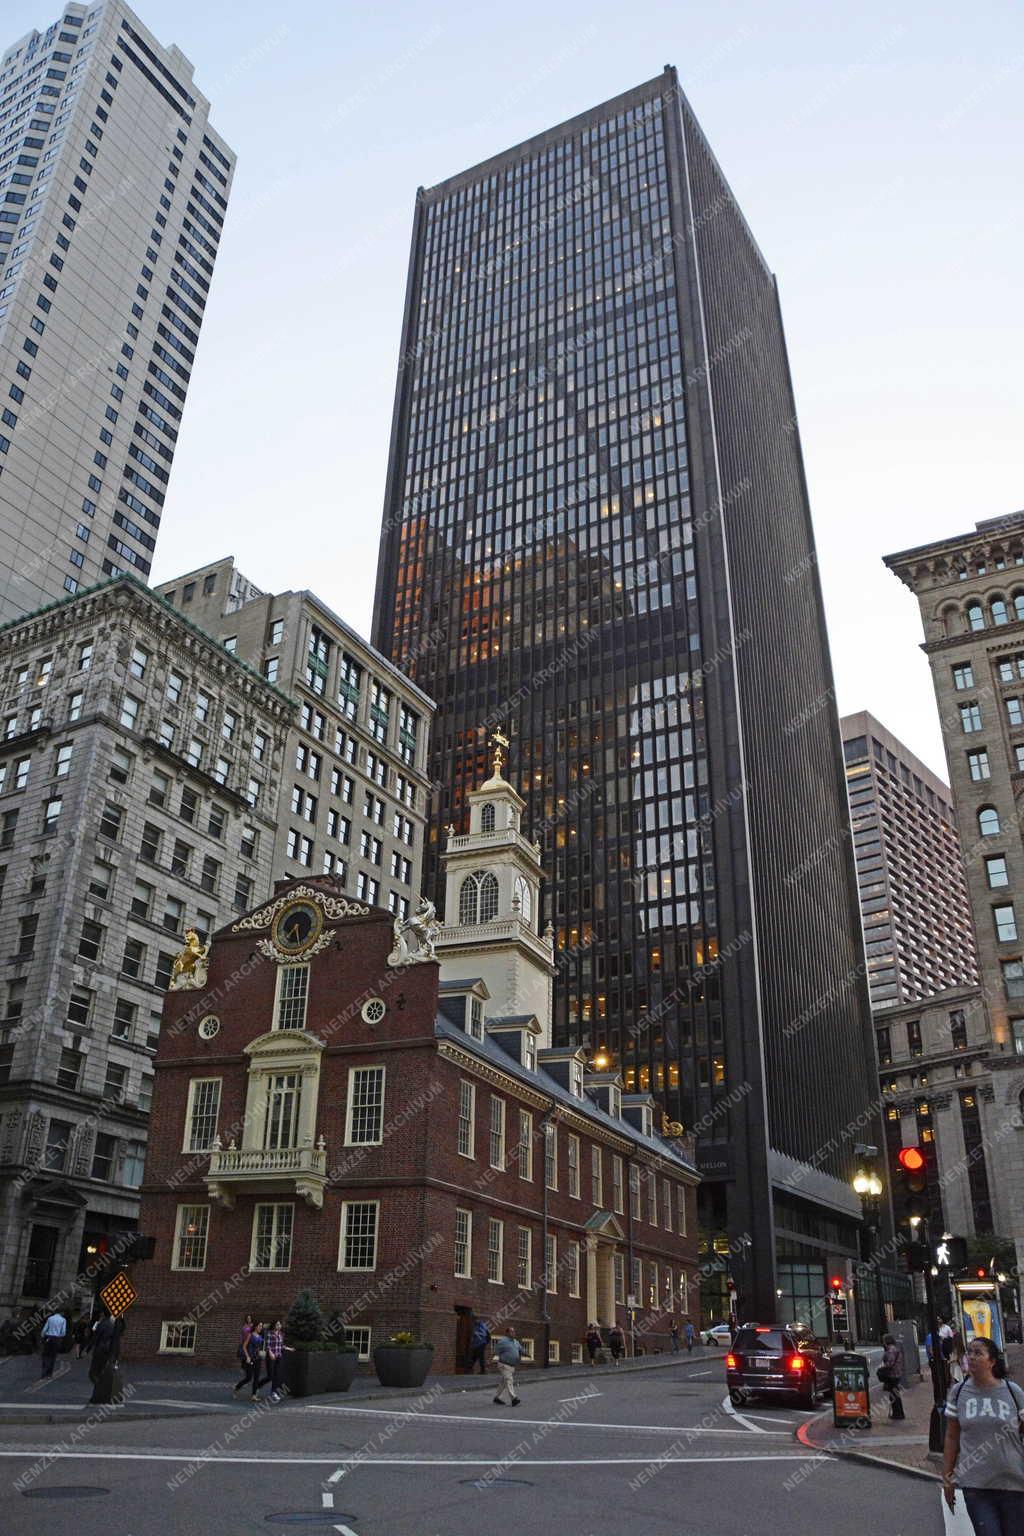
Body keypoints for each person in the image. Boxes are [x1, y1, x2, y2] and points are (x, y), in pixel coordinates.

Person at [943, 1336, 1024, 1535]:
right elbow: (952, 1437)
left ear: (992, 1361)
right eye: (969, 1352)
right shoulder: (959, 1392)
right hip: (976, 1485)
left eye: (978, 1353)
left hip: (1014, 1483)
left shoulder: (1012, 1392)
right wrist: (948, 1477)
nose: (971, 1357)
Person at [261, 1320, 293, 1403]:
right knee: (270, 1376)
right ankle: (258, 1385)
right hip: (271, 1357)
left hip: (278, 1357)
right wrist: (271, 1353)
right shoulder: (270, 1334)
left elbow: (281, 1345)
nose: (279, 1325)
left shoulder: (281, 1334)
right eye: (278, 1324)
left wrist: (289, 1348)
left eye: (280, 1324)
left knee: (277, 1375)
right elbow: (267, 1346)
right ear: (274, 1325)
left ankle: (273, 1392)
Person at [492, 1326, 522, 1407]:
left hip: (512, 1366)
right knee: (509, 1380)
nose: (513, 1333)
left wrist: (522, 1357)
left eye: (514, 1331)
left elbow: (520, 1350)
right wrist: (489, 1360)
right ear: (507, 1333)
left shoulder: (516, 1342)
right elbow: (495, 1351)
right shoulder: (503, 1342)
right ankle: (514, 1399)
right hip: (503, 1364)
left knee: (503, 1383)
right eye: (511, 1332)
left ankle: (497, 1398)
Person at [234, 1320, 264, 1398]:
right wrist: (247, 1357)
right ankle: (236, 1388)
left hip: (258, 1358)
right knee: (249, 1378)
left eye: (261, 1326)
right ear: (255, 1327)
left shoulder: (260, 1336)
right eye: (259, 1326)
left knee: (257, 1377)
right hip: (250, 1358)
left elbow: (259, 1348)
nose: (261, 1327)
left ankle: (254, 1395)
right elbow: (244, 1347)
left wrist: (262, 1352)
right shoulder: (250, 1335)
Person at [879, 1333, 905, 1420]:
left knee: (894, 1395)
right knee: (894, 1394)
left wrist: (882, 1367)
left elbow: (890, 1363)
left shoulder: (891, 1350)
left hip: (893, 1374)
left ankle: (898, 1413)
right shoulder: (894, 1349)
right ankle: (898, 1413)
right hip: (896, 1373)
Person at [39, 1310, 66, 1378]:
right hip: (56, 1339)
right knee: (53, 1356)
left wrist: (42, 1336)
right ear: (61, 1313)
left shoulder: (50, 1318)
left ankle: (43, 1372)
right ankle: (49, 1374)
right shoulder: (63, 1320)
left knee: (45, 1355)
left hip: (48, 1338)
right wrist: (59, 1336)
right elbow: (63, 1332)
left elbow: (45, 1329)